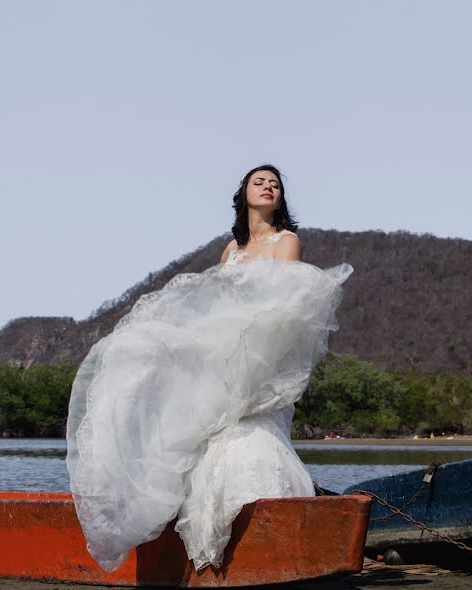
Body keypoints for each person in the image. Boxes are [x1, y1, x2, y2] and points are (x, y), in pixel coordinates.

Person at [65, 164, 352, 573]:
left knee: (245, 437)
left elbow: (284, 310)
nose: (269, 187)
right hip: (222, 357)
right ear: (244, 193)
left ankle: (269, 542)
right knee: (150, 368)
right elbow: (214, 306)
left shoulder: (286, 242)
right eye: (260, 182)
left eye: (275, 184)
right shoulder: (229, 253)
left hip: (258, 360)